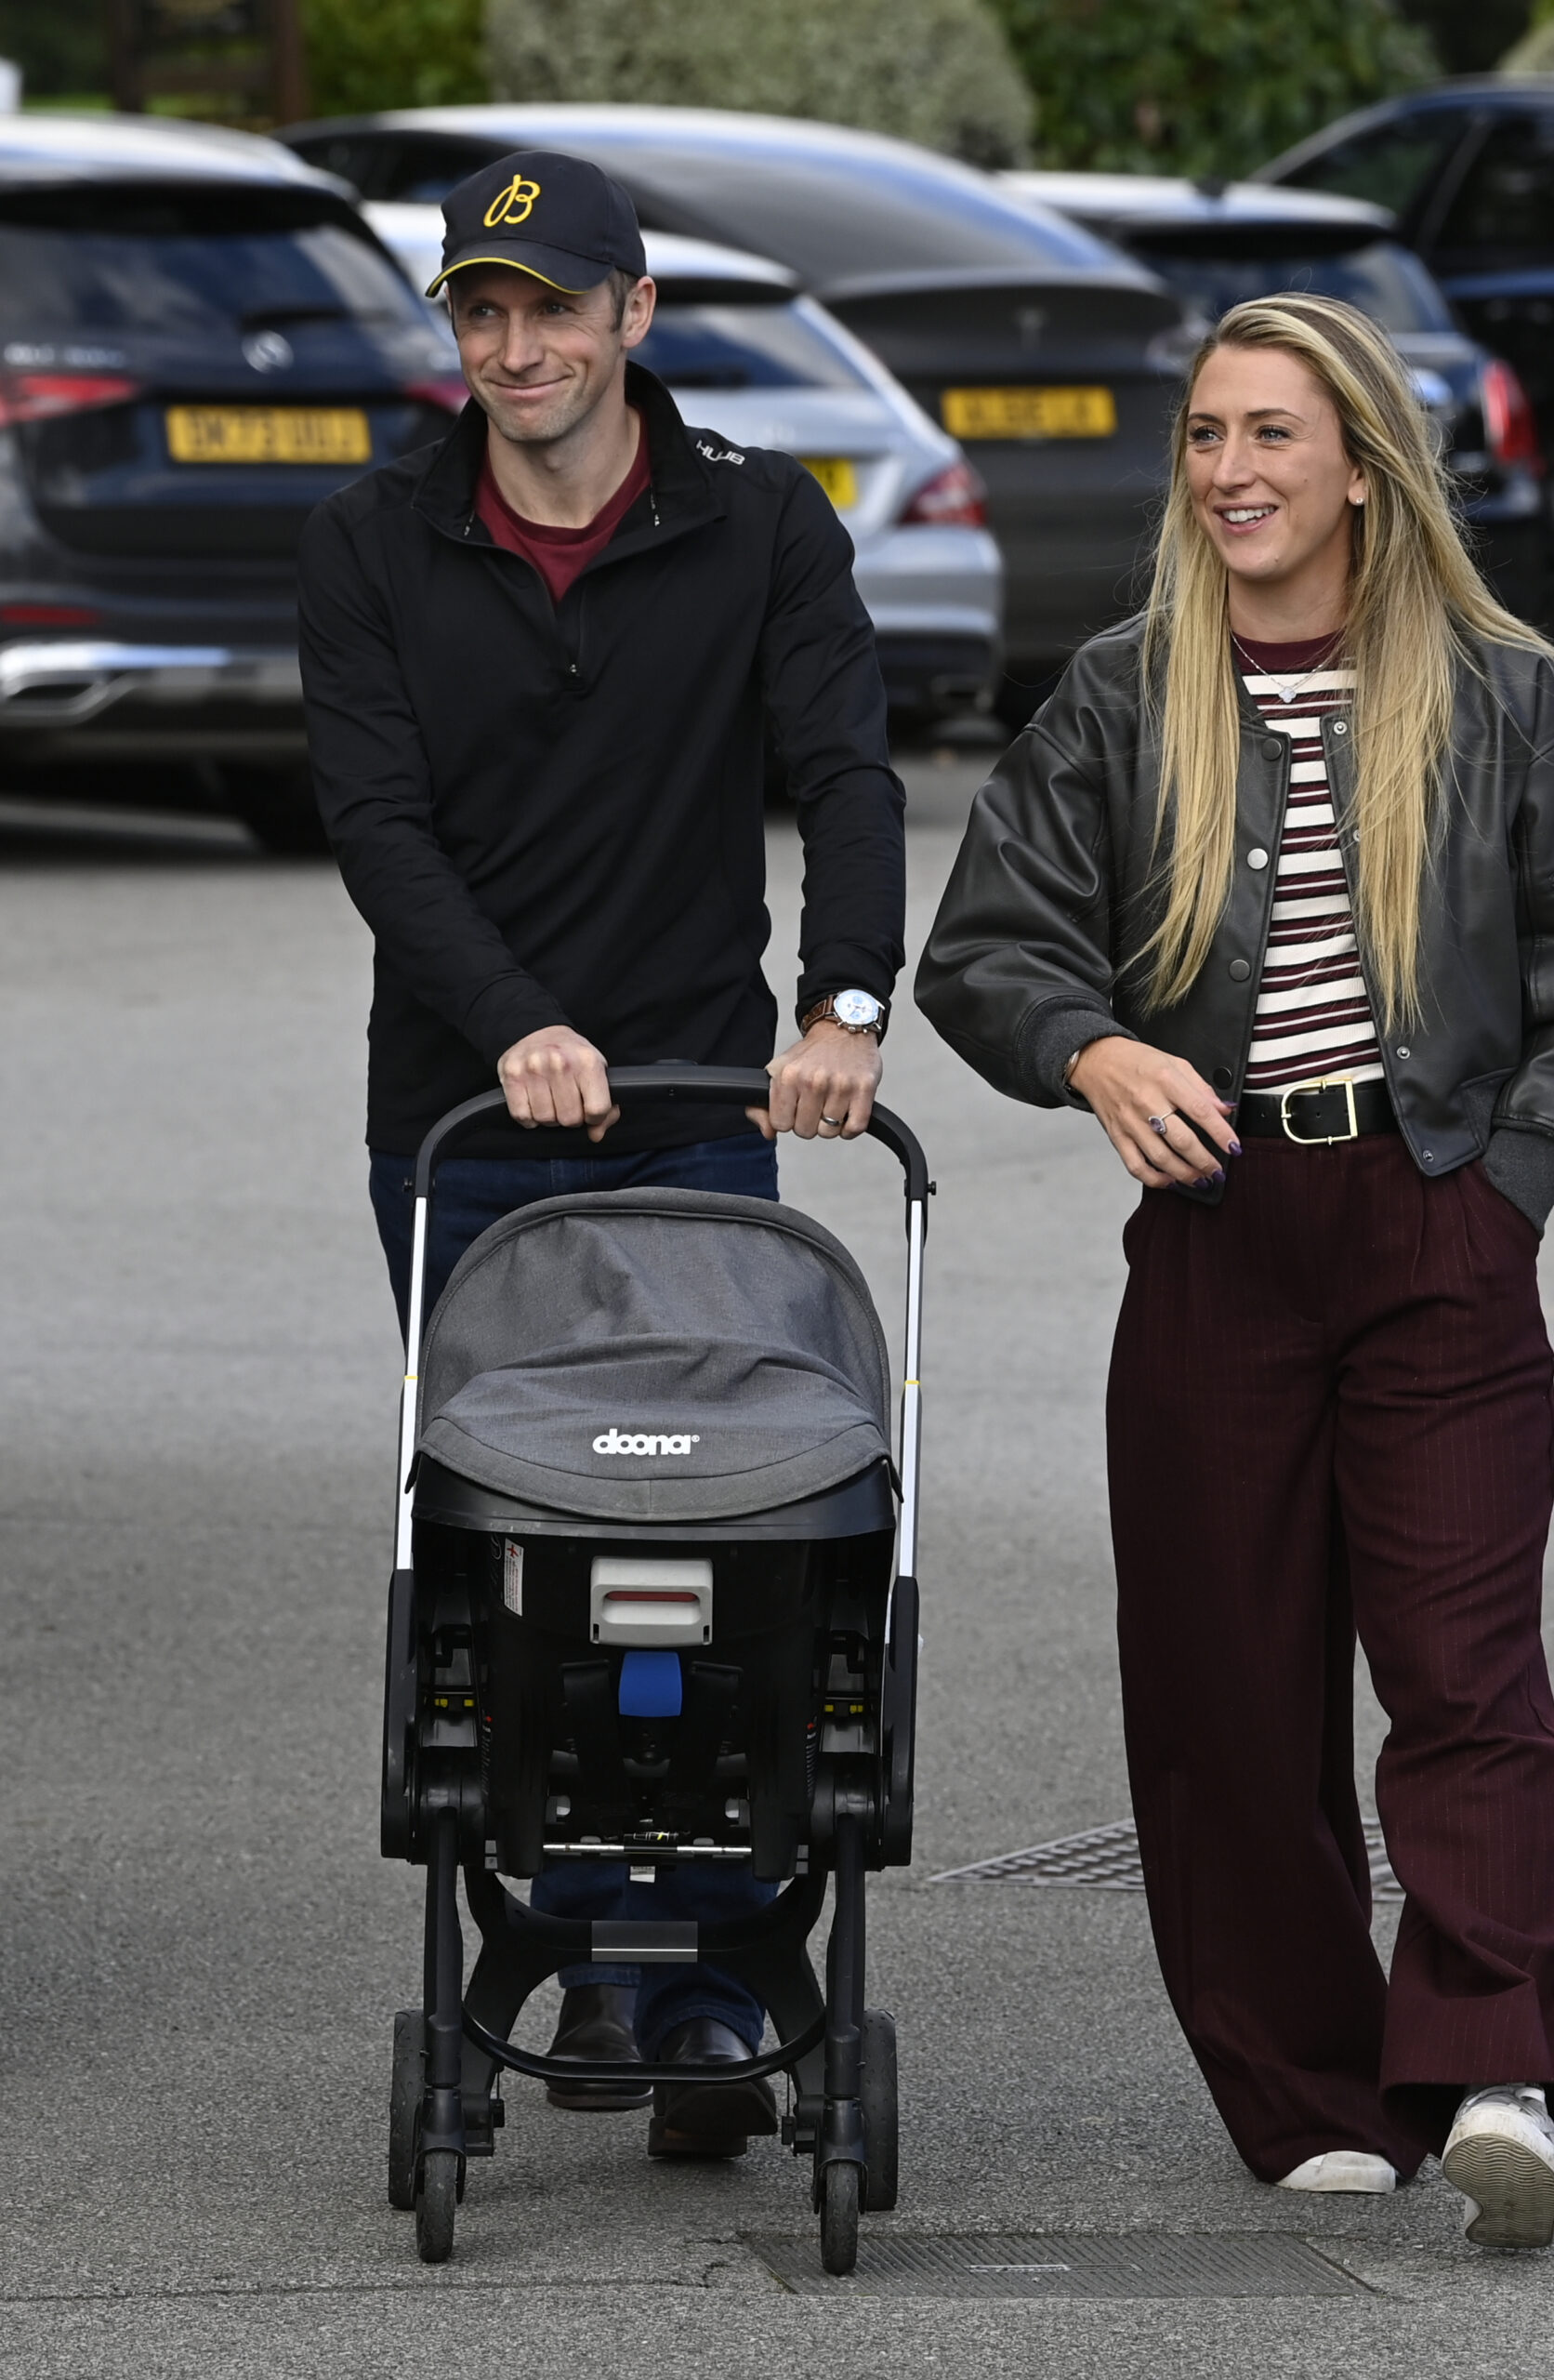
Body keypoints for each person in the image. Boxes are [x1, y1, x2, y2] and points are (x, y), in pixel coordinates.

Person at [916, 295, 1554, 2250]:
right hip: (1216, 1241)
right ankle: (1310, 2080)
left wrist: (1508, 1177)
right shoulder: (1116, 692)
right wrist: (1093, 1047)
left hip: (1433, 1222)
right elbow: (987, 945)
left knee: (1460, 1664)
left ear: (1359, 464)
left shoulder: (1501, 691)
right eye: (1205, 435)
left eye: (1271, 434)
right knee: (1225, 1687)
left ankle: (1496, 2058)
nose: (1232, 471)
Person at [297, 152, 904, 2157]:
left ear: (634, 315)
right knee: (508, 1566)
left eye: (553, 308)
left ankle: (691, 1969)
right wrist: (513, 1024)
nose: (517, 347)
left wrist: (840, 1010)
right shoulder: (376, 539)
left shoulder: (757, 524)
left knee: (723, 1569)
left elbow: (842, 767)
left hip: (697, 1144)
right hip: (467, 1137)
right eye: (482, 312)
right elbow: (379, 826)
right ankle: (566, 1928)